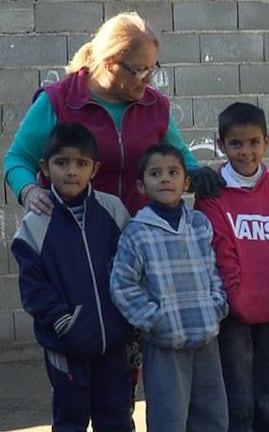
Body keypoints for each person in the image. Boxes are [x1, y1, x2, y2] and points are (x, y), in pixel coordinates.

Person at [3, 11, 222, 218]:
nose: (149, 79)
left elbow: (179, 153)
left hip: (141, 235)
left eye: (153, 68)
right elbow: (18, 158)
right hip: (76, 234)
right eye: (140, 70)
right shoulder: (57, 101)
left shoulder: (155, 106)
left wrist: (197, 174)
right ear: (109, 64)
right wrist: (29, 191)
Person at [10, 123, 133, 431]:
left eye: (81, 163)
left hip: (114, 345)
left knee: (116, 418)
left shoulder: (113, 210)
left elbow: (132, 267)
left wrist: (129, 317)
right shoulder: (35, 224)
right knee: (70, 420)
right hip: (66, 347)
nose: (71, 171)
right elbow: (33, 288)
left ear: (94, 169)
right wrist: (64, 322)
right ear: (44, 168)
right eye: (61, 163)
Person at [194, 102, 269, 432]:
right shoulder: (211, 194)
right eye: (236, 143)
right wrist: (237, 297)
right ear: (221, 144)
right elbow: (220, 249)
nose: (246, 151)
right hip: (232, 310)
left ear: (267, 141)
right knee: (238, 392)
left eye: (254, 142)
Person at [110, 144, 229, 431]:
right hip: (165, 344)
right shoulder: (137, 231)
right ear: (141, 185)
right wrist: (156, 320)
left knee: (212, 417)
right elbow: (122, 286)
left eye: (173, 172)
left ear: (186, 182)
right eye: (155, 173)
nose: (165, 179)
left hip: (206, 339)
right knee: (169, 419)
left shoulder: (199, 224)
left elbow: (213, 270)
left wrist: (216, 307)